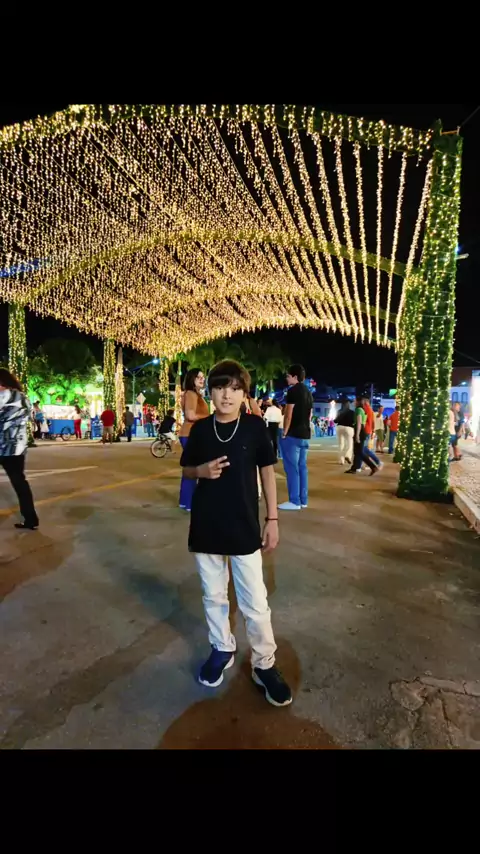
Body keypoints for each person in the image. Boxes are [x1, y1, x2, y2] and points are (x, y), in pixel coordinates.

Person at [180, 359, 292, 707]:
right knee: (213, 595)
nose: (226, 395)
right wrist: (201, 470)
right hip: (206, 525)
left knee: (254, 601)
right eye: (219, 387)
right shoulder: (201, 430)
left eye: (234, 388)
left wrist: (272, 519)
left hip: (244, 525)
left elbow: (268, 474)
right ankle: (222, 648)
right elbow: (186, 471)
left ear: (244, 393)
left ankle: (264, 663)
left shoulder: (255, 427)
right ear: (210, 392)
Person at [0, 369, 39, 530]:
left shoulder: (3, 396)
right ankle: (31, 519)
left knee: (19, 482)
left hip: (3, 445)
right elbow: (29, 418)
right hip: (17, 447)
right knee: (20, 483)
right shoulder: (24, 398)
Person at [279, 364, 313, 511]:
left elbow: (288, 414)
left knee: (292, 468)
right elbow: (310, 415)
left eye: (288, 376)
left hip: (293, 434)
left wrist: (285, 432)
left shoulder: (293, 391)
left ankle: (294, 501)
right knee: (302, 468)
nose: (287, 379)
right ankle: (303, 500)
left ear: (294, 376)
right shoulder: (309, 392)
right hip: (305, 434)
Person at [178, 368, 210, 512]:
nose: (202, 380)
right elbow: (190, 415)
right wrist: (210, 418)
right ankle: (190, 503)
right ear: (192, 379)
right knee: (195, 469)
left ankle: (185, 501)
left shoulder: (195, 394)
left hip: (191, 434)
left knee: (190, 467)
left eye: (203, 377)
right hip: (190, 434)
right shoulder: (191, 394)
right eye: (199, 377)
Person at [346, 395, 378, 476]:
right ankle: (354, 468)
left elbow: (359, 423)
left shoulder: (359, 410)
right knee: (357, 451)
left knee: (360, 452)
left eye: (355, 401)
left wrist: (357, 435)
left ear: (358, 402)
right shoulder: (362, 409)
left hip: (360, 431)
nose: (354, 402)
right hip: (361, 431)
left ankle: (373, 467)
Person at [362, 396, 382, 470]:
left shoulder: (366, 409)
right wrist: (372, 430)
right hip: (368, 430)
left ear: (365, 402)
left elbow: (364, 421)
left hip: (365, 431)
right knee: (363, 449)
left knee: (364, 449)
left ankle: (378, 461)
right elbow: (373, 422)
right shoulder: (371, 410)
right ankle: (361, 465)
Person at [335, 398, 354, 465]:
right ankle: (347, 455)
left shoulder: (339, 411)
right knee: (349, 444)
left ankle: (341, 460)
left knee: (341, 444)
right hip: (348, 428)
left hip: (339, 427)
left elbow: (335, 420)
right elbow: (353, 421)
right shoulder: (351, 412)